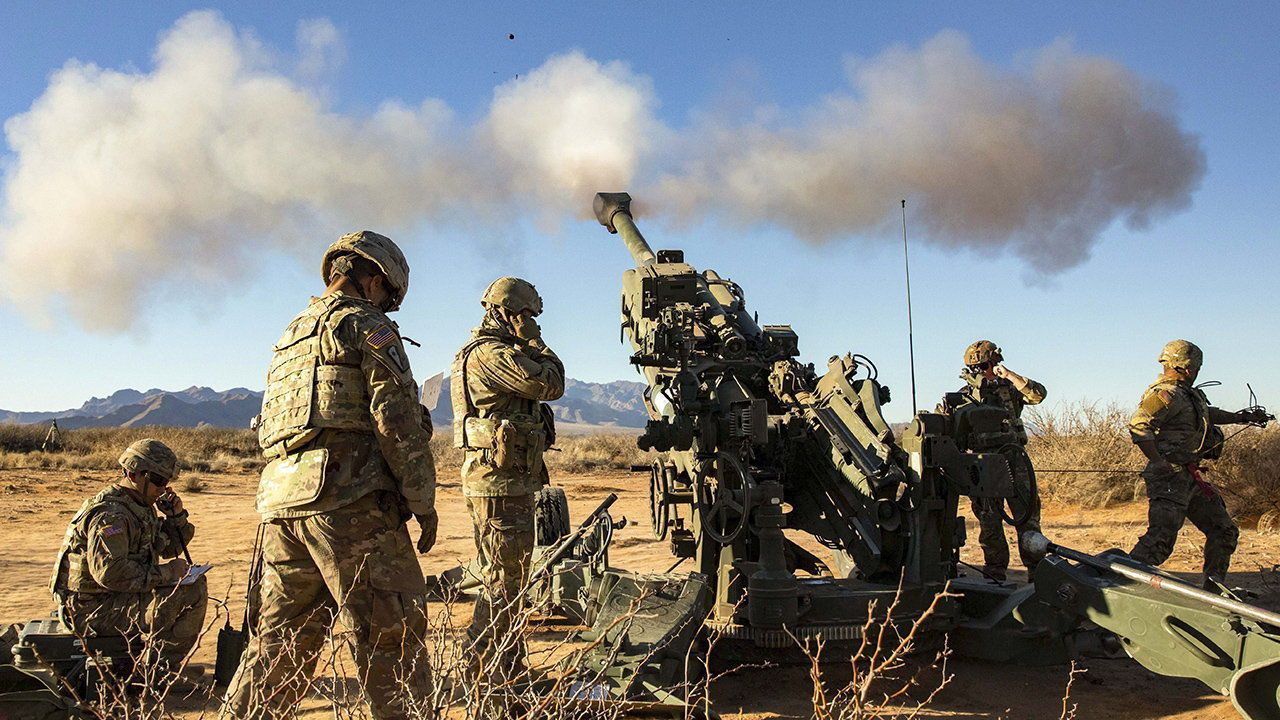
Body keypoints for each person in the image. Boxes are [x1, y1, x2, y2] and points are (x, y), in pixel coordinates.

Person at [224, 231, 437, 719]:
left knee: (278, 647)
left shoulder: (291, 333)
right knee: (394, 641)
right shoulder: (366, 324)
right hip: (350, 504)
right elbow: (396, 419)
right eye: (389, 296)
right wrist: (422, 501)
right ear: (375, 279)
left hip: (282, 506)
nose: (388, 306)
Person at [451, 277, 563, 681]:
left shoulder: (486, 352)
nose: (532, 322)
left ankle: (508, 669)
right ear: (511, 312)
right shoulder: (493, 354)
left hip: (501, 482)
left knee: (508, 580)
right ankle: (483, 674)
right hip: (501, 486)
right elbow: (550, 383)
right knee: (503, 585)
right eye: (528, 315)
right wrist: (535, 343)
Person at [50, 439, 207, 670]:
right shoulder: (111, 515)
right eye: (158, 481)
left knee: (190, 585)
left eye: (167, 482)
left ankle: (157, 665)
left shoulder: (140, 505)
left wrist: (177, 516)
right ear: (134, 475)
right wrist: (166, 572)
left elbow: (171, 548)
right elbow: (110, 573)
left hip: (112, 599)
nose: (163, 488)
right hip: (90, 610)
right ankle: (159, 673)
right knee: (191, 593)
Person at [1127, 340, 1270, 590]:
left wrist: (1241, 417)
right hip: (1170, 479)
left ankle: (1214, 591)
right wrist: (1159, 462)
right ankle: (1106, 587)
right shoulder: (1166, 394)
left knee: (1224, 530)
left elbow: (1207, 413)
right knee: (1158, 543)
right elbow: (1139, 425)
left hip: (1191, 478)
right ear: (1190, 367)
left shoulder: (1187, 395)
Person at [939, 340, 1047, 581]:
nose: (982, 371)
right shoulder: (964, 397)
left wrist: (1009, 375)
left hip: (1014, 460)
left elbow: (1038, 395)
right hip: (983, 465)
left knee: (1027, 518)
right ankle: (995, 572)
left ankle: (1038, 573)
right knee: (989, 522)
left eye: (986, 365)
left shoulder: (1009, 389)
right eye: (977, 367)